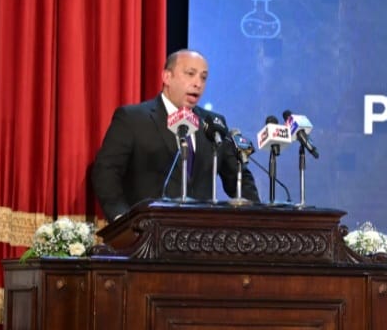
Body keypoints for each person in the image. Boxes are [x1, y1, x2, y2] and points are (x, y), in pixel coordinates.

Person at [91, 49, 261, 221]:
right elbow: (106, 172)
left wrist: (257, 220)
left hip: (202, 231)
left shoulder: (213, 124)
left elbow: (239, 177)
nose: (198, 83)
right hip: (147, 230)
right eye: (190, 74)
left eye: (203, 77)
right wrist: (122, 218)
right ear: (167, 77)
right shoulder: (133, 119)